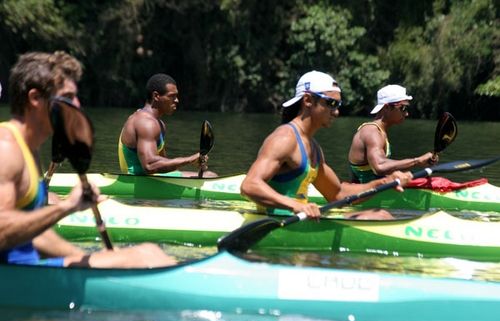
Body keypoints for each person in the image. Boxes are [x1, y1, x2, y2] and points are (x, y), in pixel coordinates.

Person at [0, 51, 176, 268]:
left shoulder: (30, 150)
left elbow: (36, 236)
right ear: (35, 98)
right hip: (17, 281)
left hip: (30, 270)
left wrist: (89, 257)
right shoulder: (6, 149)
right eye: (67, 97)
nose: (77, 104)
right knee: (145, 258)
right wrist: (66, 208)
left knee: (149, 251)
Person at [240, 71, 412, 220]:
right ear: (307, 100)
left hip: (300, 218)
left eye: (338, 104)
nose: (336, 112)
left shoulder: (314, 148)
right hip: (277, 221)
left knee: (379, 213)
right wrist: (296, 206)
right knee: (380, 216)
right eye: (331, 103)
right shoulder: (284, 138)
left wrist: (385, 182)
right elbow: (250, 185)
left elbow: (338, 194)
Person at [118, 73, 216, 177]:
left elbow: (162, 163)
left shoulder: (159, 124)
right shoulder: (146, 123)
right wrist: (189, 159)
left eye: (176, 96)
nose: (177, 100)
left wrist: (196, 162)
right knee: (210, 176)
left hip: (152, 179)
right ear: (156, 96)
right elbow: (150, 165)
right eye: (171, 96)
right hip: (139, 180)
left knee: (208, 175)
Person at [348, 84, 437, 183]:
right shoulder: (371, 132)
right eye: (403, 108)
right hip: (365, 193)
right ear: (386, 108)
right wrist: (417, 161)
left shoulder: (379, 131)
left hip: (376, 187)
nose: (406, 113)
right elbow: (380, 166)